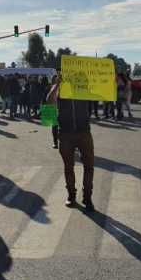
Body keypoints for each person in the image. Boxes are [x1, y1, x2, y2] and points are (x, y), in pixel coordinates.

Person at [47, 79, 95, 211]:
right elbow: (49, 102)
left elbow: (104, 93)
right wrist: (57, 85)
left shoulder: (85, 87)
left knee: (89, 166)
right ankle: (71, 195)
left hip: (84, 132)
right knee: (68, 167)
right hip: (66, 133)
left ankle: (87, 197)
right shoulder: (60, 88)